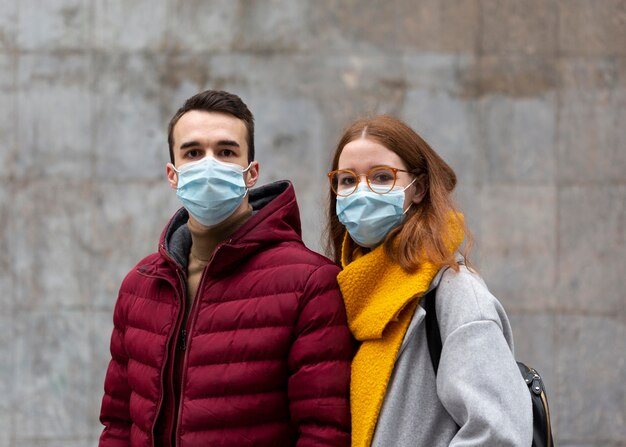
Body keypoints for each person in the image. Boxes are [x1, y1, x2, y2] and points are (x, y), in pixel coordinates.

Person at [98, 90, 353, 447]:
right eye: (193, 152)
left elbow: (324, 432)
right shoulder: (140, 286)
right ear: (173, 175)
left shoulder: (310, 283)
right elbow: (119, 425)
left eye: (226, 152)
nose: (209, 164)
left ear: (252, 173)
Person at [325, 115, 532, 446]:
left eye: (381, 176)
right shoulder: (349, 290)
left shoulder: (456, 294)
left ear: (418, 188)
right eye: (347, 180)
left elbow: (499, 433)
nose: (361, 191)